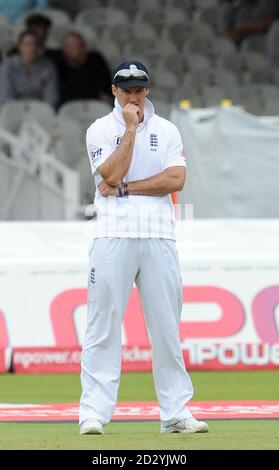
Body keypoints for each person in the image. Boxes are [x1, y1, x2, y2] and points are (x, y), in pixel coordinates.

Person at [79, 59, 209, 435]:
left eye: (139, 89)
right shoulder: (99, 129)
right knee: (102, 327)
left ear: (147, 90)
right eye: (126, 89)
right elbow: (111, 173)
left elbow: (176, 179)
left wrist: (126, 189)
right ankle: (94, 412)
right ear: (114, 91)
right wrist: (131, 130)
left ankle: (175, 413)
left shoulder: (168, 130)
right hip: (112, 237)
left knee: (167, 329)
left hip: (159, 237)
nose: (134, 96)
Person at [0, 30, 59, 108]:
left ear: (39, 47)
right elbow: (5, 97)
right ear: (19, 46)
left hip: (40, 112)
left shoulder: (48, 67)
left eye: (35, 44)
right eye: (27, 44)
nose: (32, 48)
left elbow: (51, 98)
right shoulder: (7, 66)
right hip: (13, 111)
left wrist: (40, 111)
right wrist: (22, 110)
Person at [53, 32, 112, 107]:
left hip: (94, 106)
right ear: (64, 50)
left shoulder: (96, 60)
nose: (80, 50)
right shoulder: (57, 61)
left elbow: (107, 90)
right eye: (72, 47)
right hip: (68, 108)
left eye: (81, 46)